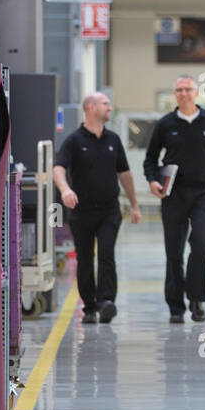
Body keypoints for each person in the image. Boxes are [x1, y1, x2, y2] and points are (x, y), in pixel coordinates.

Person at [143, 74, 205, 323]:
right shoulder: (165, 124)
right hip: (173, 194)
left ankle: (196, 300)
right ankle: (175, 307)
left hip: (203, 192)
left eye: (188, 89)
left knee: (202, 244)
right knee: (174, 251)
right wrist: (152, 180)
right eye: (179, 90)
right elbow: (150, 158)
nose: (184, 93)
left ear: (196, 92)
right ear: (175, 95)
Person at [54, 92, 141, 324]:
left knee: (106, 253)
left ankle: (105, 301)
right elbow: (58, 168)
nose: (110, 108)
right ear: (91, 108)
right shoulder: (74, 140)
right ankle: (89, 307)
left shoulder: (113, 140)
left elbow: (125, 174)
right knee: (84, 258)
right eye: (105, 104)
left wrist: (134, 204)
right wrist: (65, 190)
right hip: (82, 212)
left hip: (109, 210)